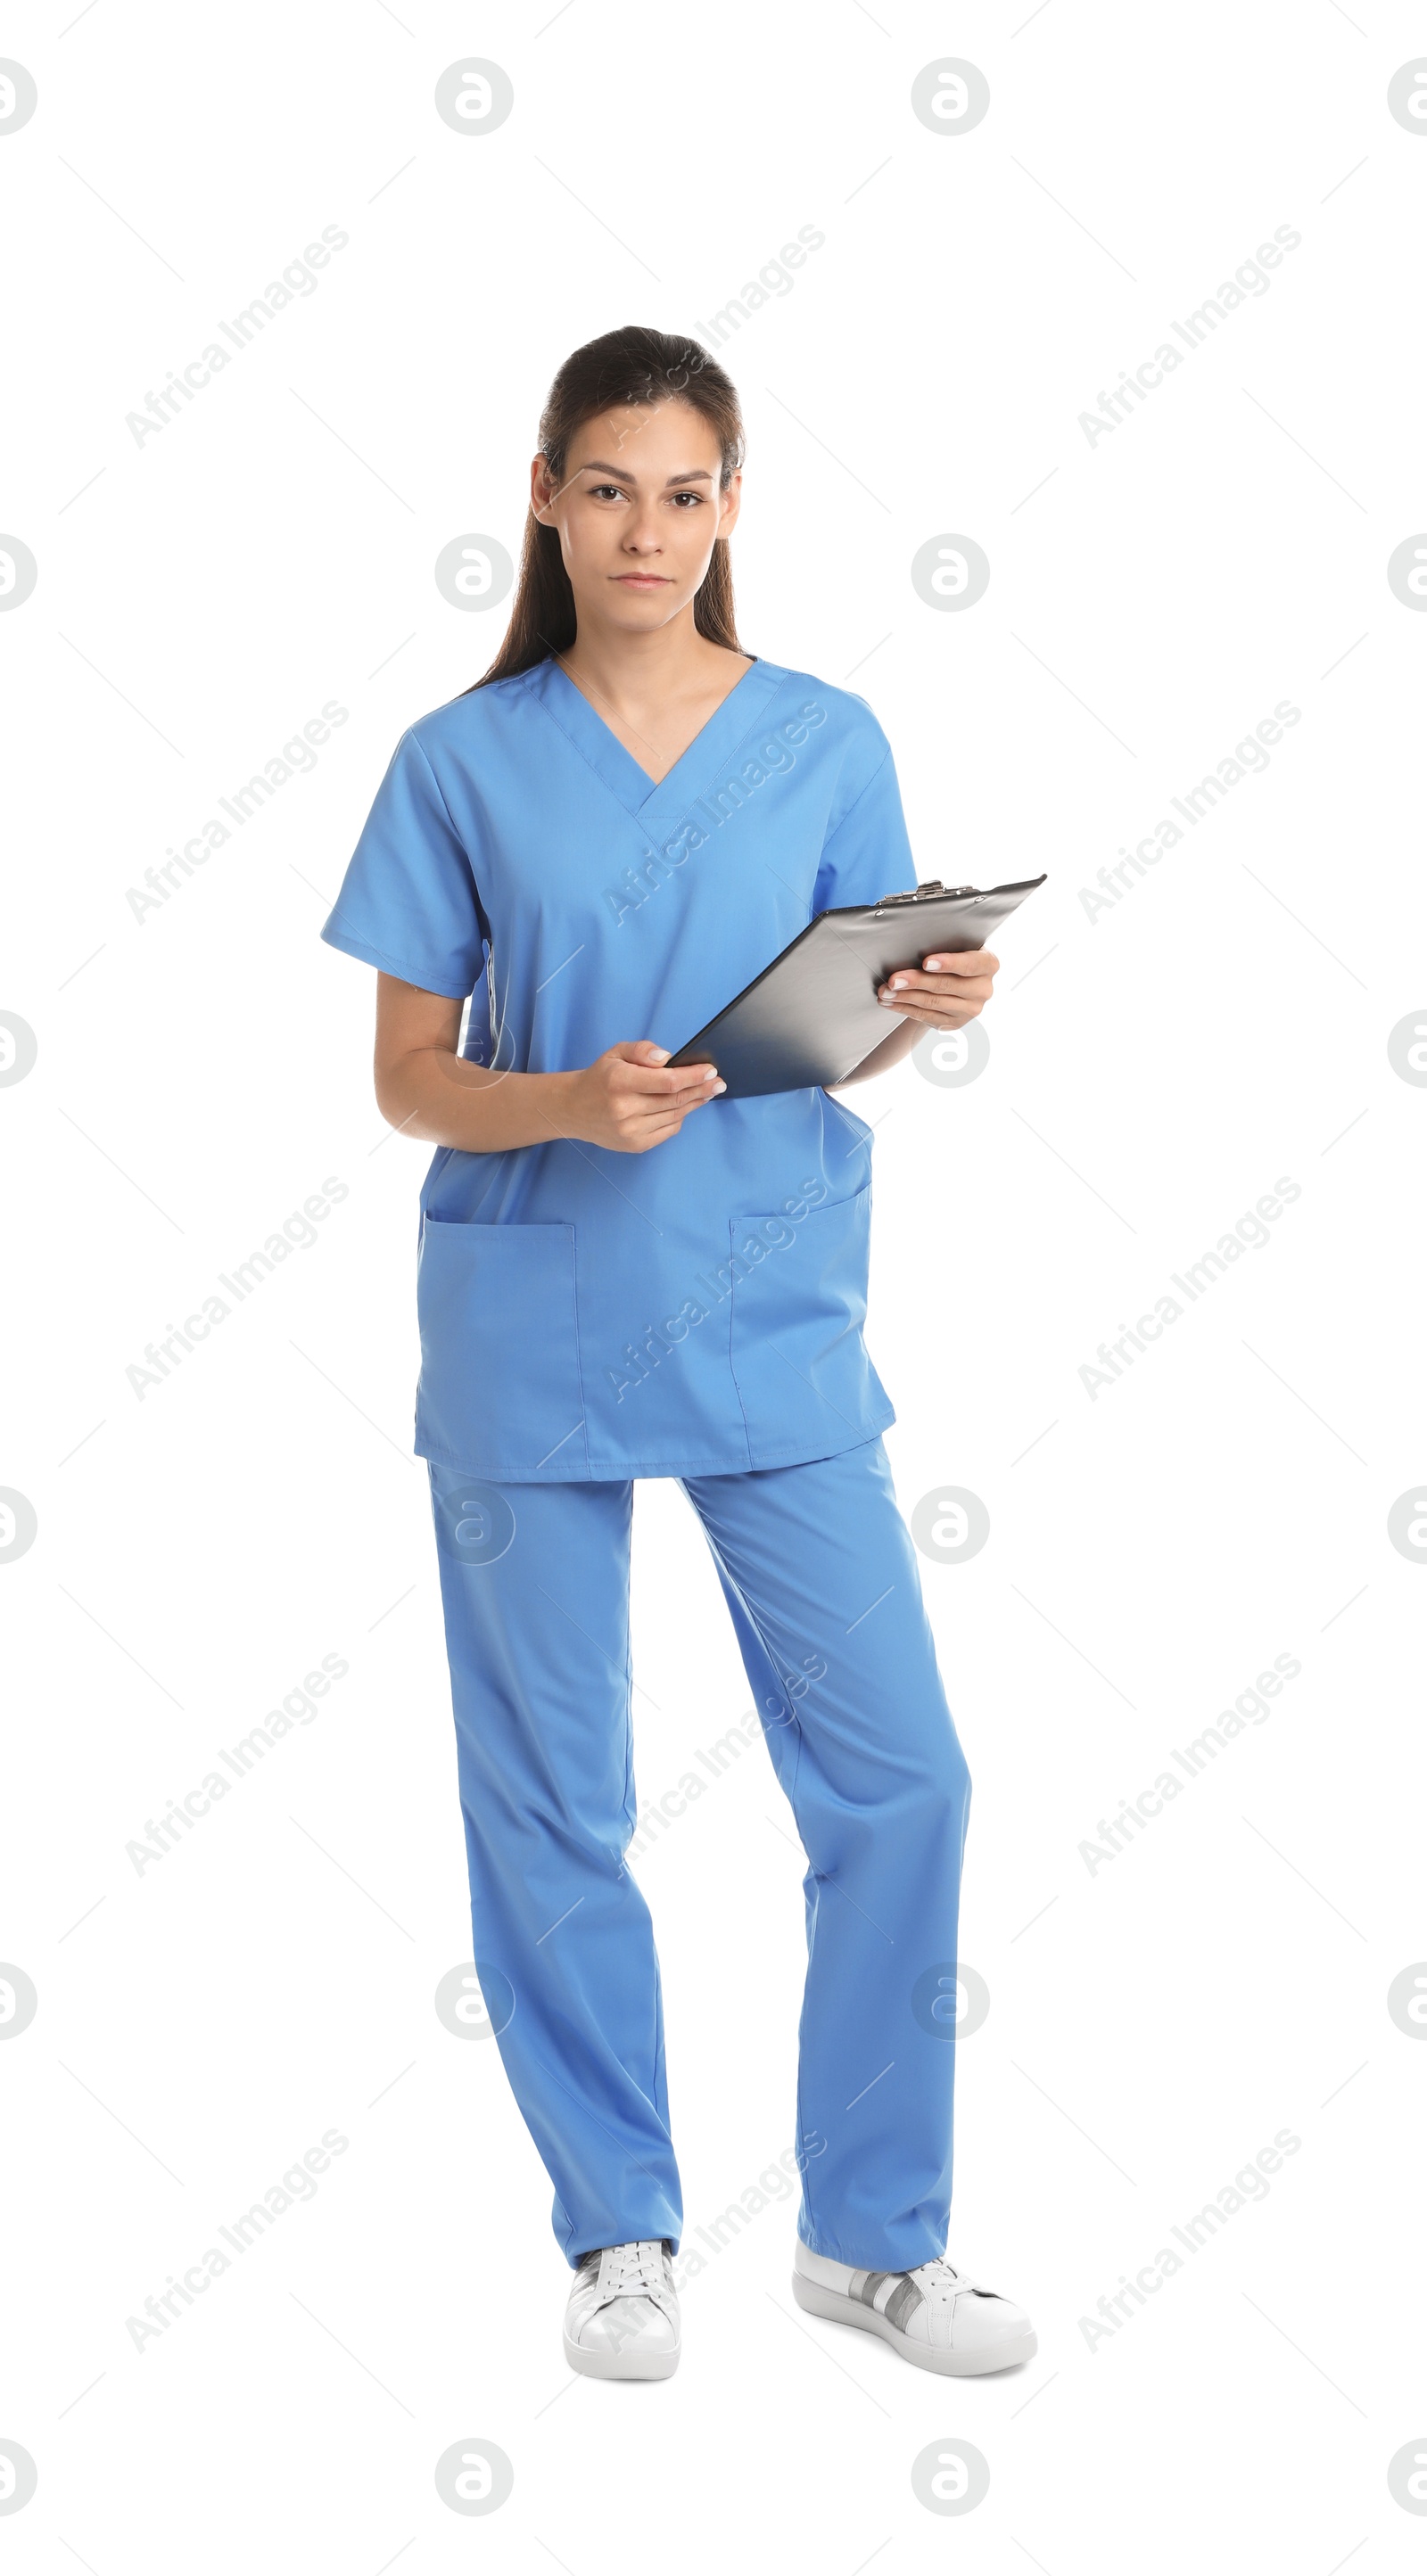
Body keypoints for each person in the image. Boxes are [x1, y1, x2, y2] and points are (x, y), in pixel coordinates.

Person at [320, 325, 1035, 2383]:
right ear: (543, 495)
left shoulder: (823, 735)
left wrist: (931, 998)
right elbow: (400, 1079)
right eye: (611, 486)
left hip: (770, 1318)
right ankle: (620, 2225)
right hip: (530, 1320)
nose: (650, 526)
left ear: (733, 510)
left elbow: (843, 1026)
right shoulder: (461, 762)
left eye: (688, 490)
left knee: (901, 1777)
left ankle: (872, 2237)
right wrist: (561, 1103)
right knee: (554, 1799)